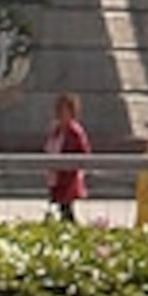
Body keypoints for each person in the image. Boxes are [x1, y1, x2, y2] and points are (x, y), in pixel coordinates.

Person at [44, 93, 92, 222]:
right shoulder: (56, 130)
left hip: (69, 177)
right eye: (60, 110)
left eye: (65, 110)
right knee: (61, 209)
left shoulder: (75, 131)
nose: (62, 114)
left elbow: (84, 152)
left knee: (66, 208)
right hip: (56, 176)